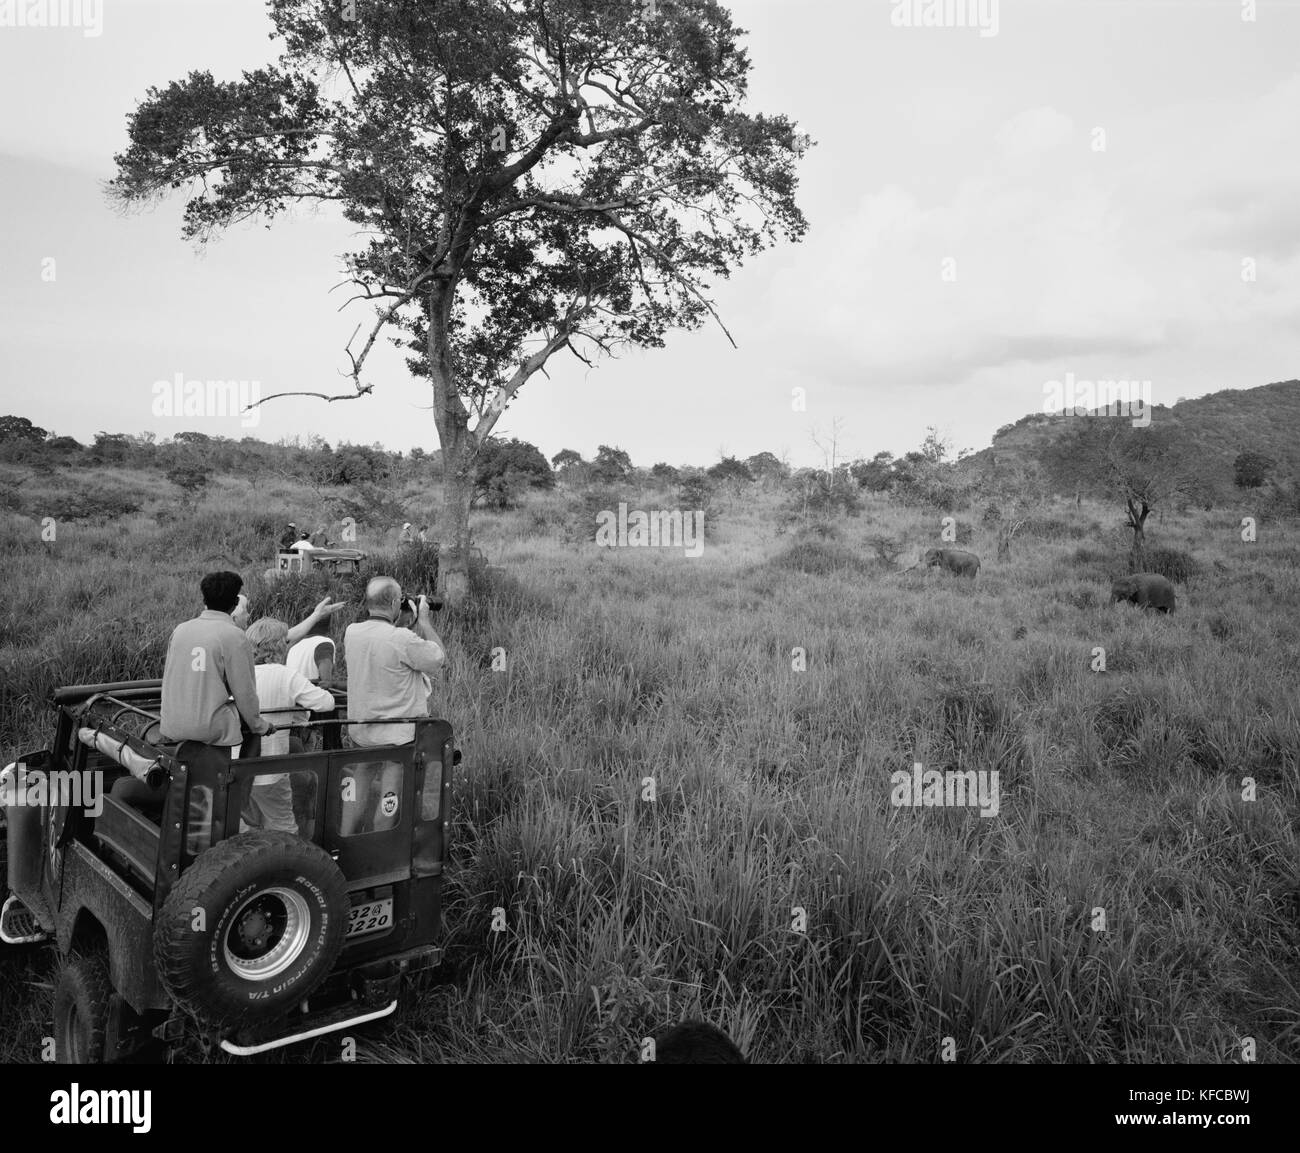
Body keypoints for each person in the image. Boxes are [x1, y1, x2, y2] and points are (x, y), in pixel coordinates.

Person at [114, 571, 274, 815]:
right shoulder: (234, 636)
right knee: (253, 732)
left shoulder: (181, 630)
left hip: (172, 725)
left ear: (204, 601)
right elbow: (245, 693)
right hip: (209, 729)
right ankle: (237, 801)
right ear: (233, 604)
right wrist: (257, 723)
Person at [343, 577, 446, 833]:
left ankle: (345, 835)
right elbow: (438, 657)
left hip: (362, 730)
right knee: (390, 793)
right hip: (396, 737)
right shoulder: (401, 639)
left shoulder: (351, 632)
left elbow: (385, 642)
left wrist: (401, 623)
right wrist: (423, 621)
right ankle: (382, 843)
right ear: (393, 602)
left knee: (361, 782)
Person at [242, 619, 334, 834]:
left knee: (250, 823)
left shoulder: (241, 674)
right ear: (279, 645)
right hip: (270, 769)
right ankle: (285, 864)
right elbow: (325, 702)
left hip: (238, 767)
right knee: (284, 826)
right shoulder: (286, 675)